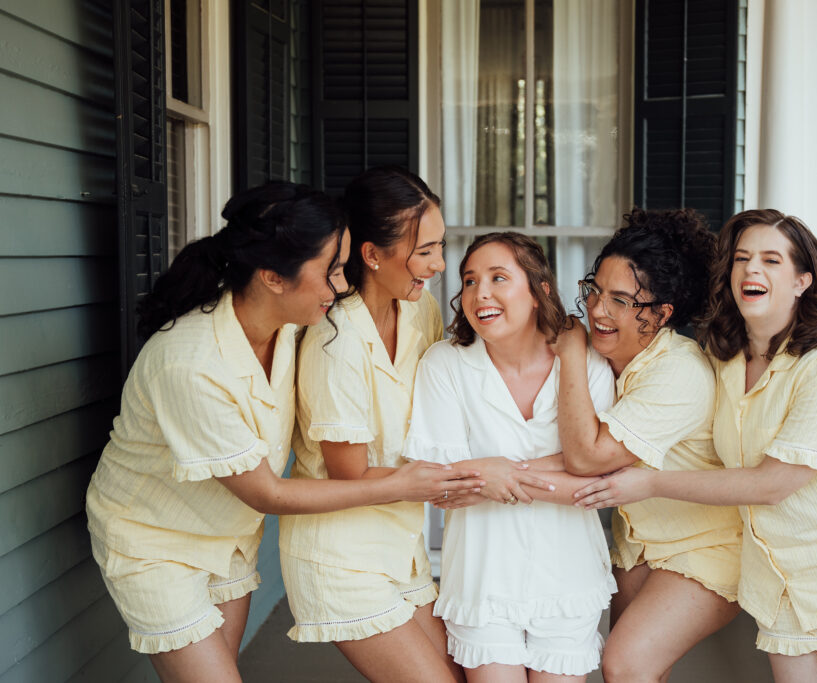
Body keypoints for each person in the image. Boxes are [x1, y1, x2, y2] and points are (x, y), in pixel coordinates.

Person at [85, 182, 483, 683]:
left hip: (229, 533)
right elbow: (268, 492)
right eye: (331, 272)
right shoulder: (191, 363)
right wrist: (407, 484)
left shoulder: (293, 326)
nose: (342, 288)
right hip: (156, 541)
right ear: (273, 277)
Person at [573, 209, 817, 683]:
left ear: (802, 281)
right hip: (786, 579)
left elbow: (774, 483)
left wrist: (647, 482)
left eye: (771, 260)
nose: (752, 269)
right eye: (742, 258)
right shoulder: (726, 362)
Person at [279, 167, 467, 682]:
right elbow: (349, 474)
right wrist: (454, 479)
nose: (439, 263)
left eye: (440, 246)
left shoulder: (419, 311)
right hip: (341, 556)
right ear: (372, 255)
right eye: (425, 250)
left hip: (400, 547)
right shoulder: (334, 341)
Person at [405, 232, 618, 682]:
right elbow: (444, 486)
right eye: (468, 280)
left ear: (539, 290)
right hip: (482, 580)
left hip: (569, 579)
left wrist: (491, 471)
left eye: (498, 277)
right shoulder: (444, 365)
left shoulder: (588, 366)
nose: (479, 292)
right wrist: (565, 470)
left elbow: (600, 481)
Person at [549, 208, 743, 683]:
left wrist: (571, 353)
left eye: (620, 300)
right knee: (634, 673)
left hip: (706, 545)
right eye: (595, 291)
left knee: (626, 663)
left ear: (661, 314)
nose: (597, 310)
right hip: (639, 541)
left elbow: (587, 458)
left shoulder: (678, 371)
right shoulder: (611, 358)